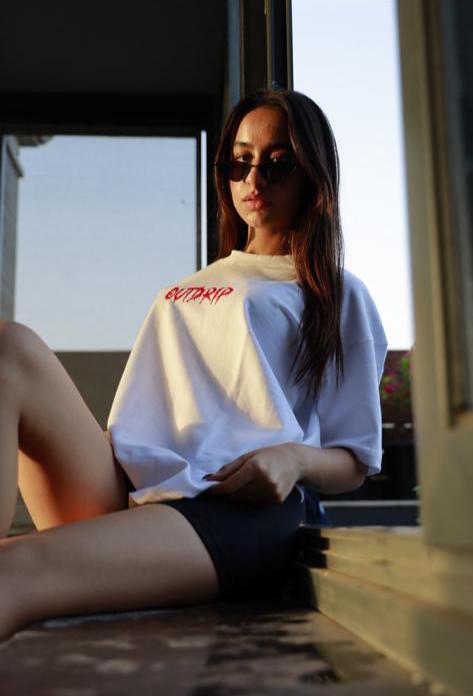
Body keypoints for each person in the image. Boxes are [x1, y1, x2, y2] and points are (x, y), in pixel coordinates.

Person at [0, 89, 388, 641]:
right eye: (240, 162)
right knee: (9, 347)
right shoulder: (194, 284)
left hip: (231, 507)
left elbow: (355, 458)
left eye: (278, 164)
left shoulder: (335, 292)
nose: (254, 180)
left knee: (11, 572)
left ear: (312, 174)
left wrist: (291, 458)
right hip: (130, 487)